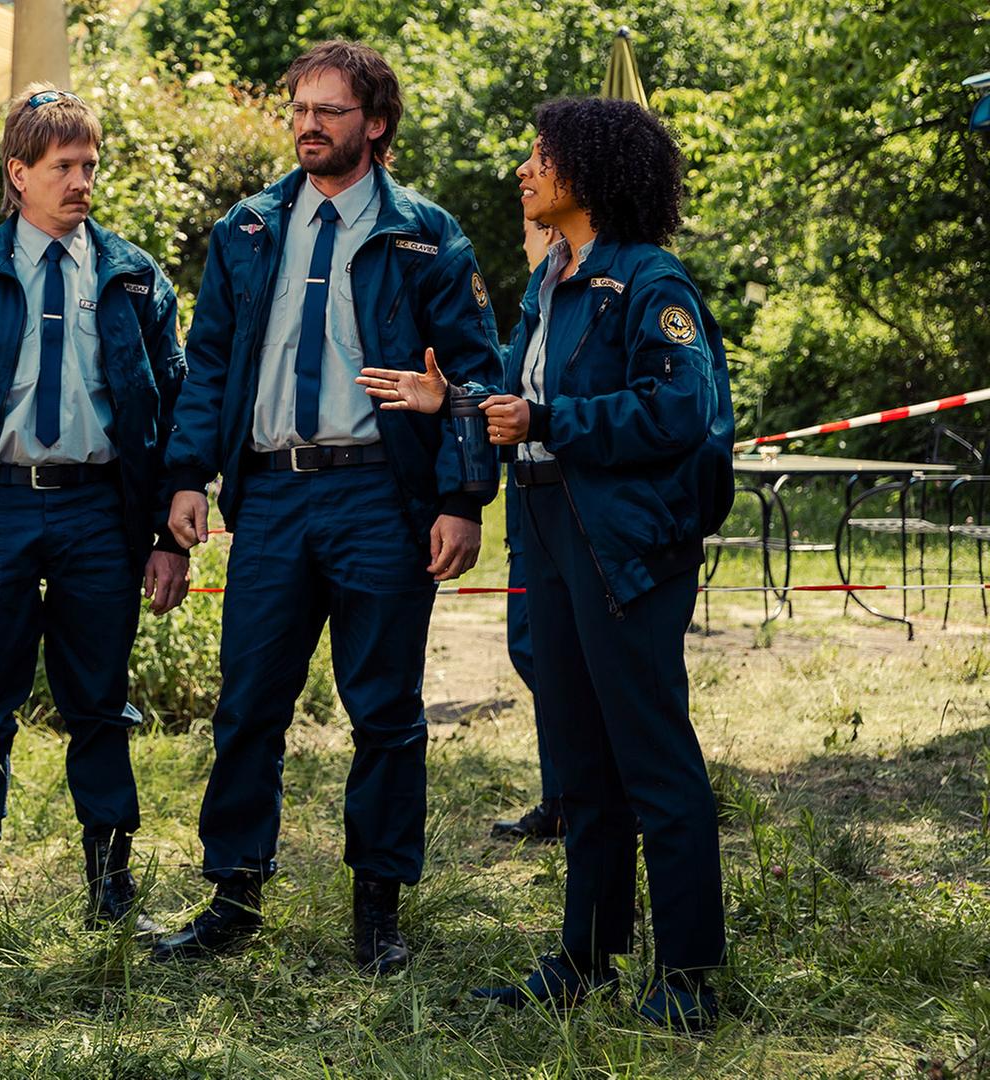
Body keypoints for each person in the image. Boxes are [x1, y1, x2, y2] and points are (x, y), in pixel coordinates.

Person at [363, 97, 734, 1029]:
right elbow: (519, 396)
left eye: (541, 155)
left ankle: (688, 977)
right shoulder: (550, 281)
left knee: (652, 758)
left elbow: (678, 410)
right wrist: (452, 398)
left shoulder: (648, 282)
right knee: (577, 762)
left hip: (621, 548)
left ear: (591, 172)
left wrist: (554, 424)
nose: (524, 170)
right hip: (547, 535)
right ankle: (587, 958)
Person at [152, 40, 501, 971]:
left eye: (331, 111)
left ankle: (378, 911)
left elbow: (474, 375)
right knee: (248, 703)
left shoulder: (428, 234)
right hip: (268, 494)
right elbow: (210, 362)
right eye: (300, 109)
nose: (309, 124)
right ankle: (233, 897)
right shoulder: (250, 227)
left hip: (380, 497)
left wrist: (463, 498)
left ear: (375, 124)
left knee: (384, 709)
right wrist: (187, 477)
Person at [0, 85, 189, 945]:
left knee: (100, 701)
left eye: (90, 165)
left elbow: (174, 409)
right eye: (64, 167)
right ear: (19, 174)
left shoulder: (131, 277)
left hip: (100, 512)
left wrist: (168, 534)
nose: (82, 181)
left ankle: (111, 882)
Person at [491, 218, 565, 844]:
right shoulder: (538, 292)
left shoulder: (605, 284)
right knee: (533, 648)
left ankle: (590, 793)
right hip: (528, 509)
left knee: (562, 657)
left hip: (574, 509)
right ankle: (563, 793)